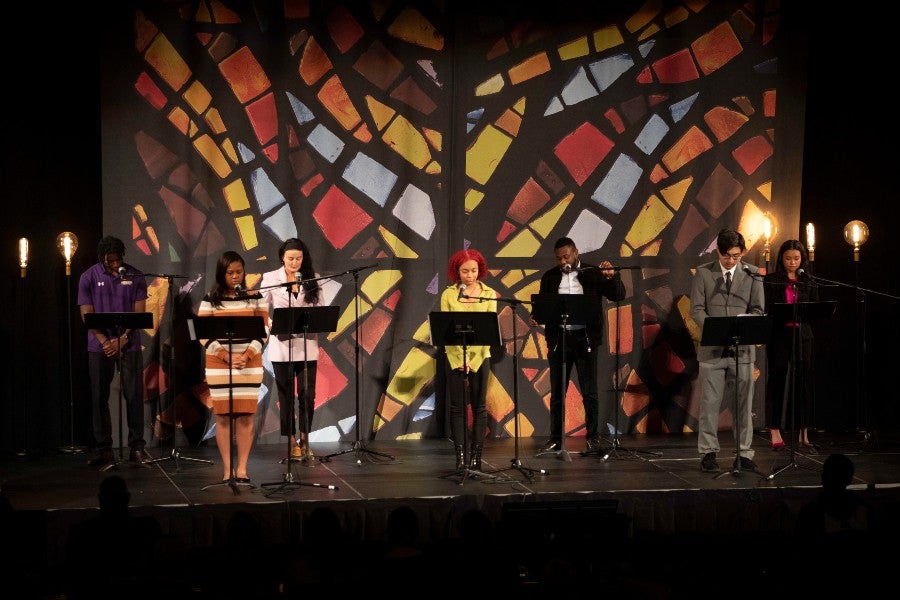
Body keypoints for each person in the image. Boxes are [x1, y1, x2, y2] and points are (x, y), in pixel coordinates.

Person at [531, 237, 624, 453]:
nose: (563, 261)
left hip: (585, 339)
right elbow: (543, 306)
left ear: (576, 253)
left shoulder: (592, 273)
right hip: (560, 341)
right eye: (558, 258)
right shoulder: (550, 277)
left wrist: (612, 278)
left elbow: (618, 295)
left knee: (589, 392)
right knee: (557, 394)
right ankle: (556, 438)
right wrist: (536, 317)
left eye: (566, 256)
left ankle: (593, 437)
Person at [690, 228, 765, 472]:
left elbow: (757, 310)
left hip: (742, 351)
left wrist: (747, 328)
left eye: (736, 256)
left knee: (744, 405)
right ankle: (708, 453)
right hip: (712, 350)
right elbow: (697, 309)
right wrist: (713, 329)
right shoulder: (703, 274)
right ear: (718, 252)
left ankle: (744, 453)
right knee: (709, 404)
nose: (731, 261)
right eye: (726, 256)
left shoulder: (753, 275)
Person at [77, 235, 149, 468]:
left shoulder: (135, 276)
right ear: (101, 259)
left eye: (118, 259)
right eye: (110, 261)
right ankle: (103, 449)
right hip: (99, 346)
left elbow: (139, 313)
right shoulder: (88, 277)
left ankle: (137, 446)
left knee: (134, 394)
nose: (115, 264)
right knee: (99, 396)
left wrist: (123, 338)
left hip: (129, 343)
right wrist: (104, 340)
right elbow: (86, 314)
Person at [196, 251, 268, 482]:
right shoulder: (210, 299)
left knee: (246, 416)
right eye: (230, 273)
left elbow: (264, 331)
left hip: (249, 364)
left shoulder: (255, 296)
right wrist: (226, 356)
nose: (235, 276)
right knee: (224, 417)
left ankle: (243, 469)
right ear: (222, 273)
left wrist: (246, 355)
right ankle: (228, 470)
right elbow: (203, 334)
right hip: (219, 365)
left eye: (239, 272)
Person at [260, 238, 325, 461]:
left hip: (307, 346)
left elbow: (321, 310)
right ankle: (290, 441)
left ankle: (305, 438)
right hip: (281, 346)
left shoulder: (313, 279)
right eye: (290, 258)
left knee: (307, 395)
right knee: (285, 395)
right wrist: (272, 325)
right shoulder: (270, 278)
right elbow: (260, 308)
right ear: (282, 258)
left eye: (298, 258)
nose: (294, 262)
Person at [440, 248, 499, 471]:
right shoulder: (448, 295)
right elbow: (445, 330)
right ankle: (460, 456)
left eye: (474, 271)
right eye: (465, 271)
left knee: (479, 406)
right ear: (457, 272)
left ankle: (476, 456)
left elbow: (488, 332)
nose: (470, 275)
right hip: (454, 357)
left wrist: (472, 361)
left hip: (480, 357)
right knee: (456, 407)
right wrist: (460, 358)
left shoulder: (489, 294)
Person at [64, 474, 163, 598]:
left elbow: (72, 575)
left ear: (100, 499)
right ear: (127, 498)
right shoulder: (148, 527)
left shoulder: (81, 532)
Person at [763, 239, 819, 451]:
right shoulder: (771, 280)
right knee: (778, 377)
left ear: (802, 259)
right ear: (781, 259)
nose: (792, 262)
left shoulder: (809, 281)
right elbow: (767, 308)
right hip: (779, 335)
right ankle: (775, 428)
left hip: (802, 335)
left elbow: (814, 308)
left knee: (803, 380)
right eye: (788, 258)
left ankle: (803, 431)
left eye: (796, 258)